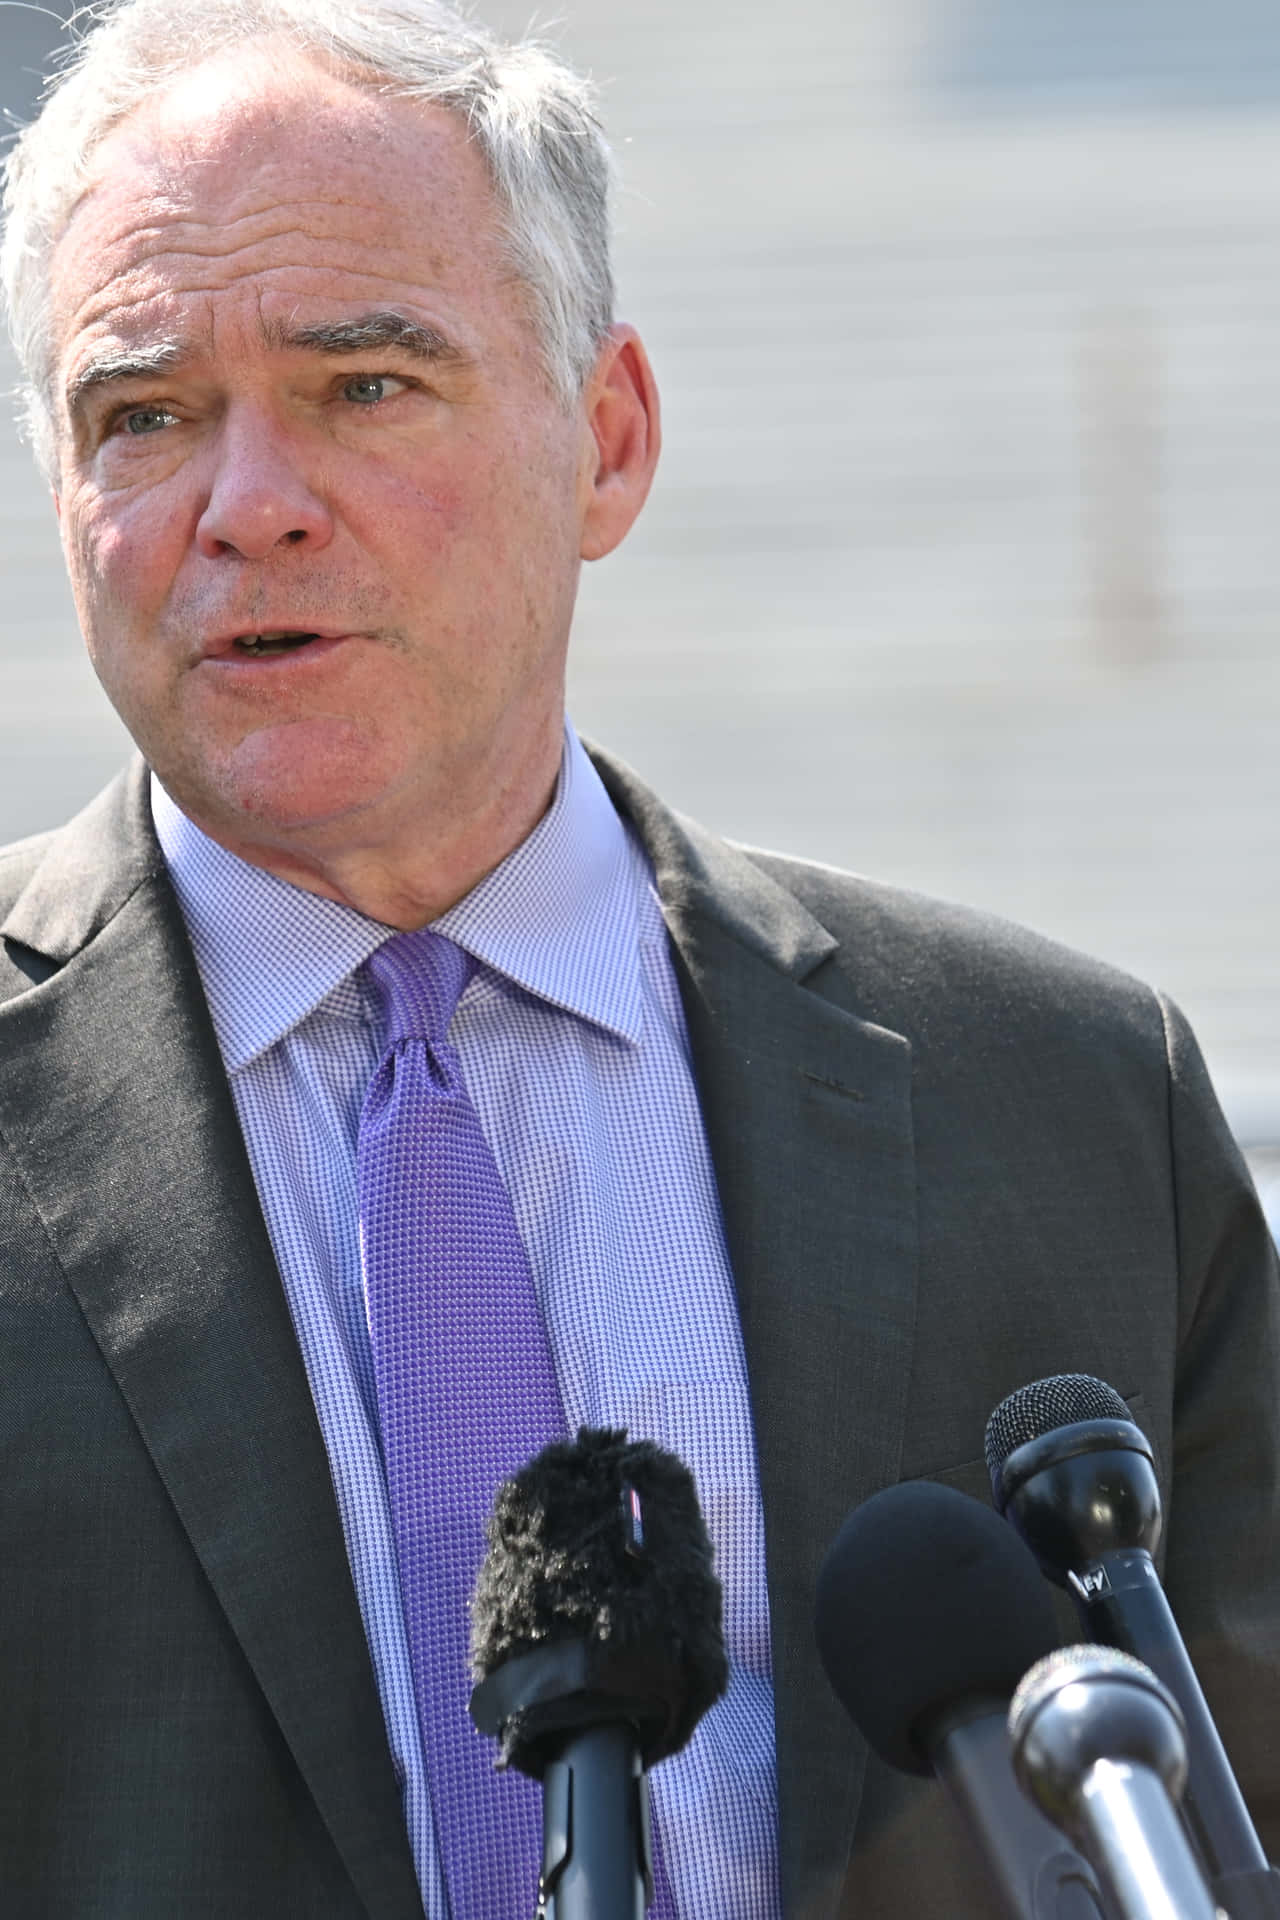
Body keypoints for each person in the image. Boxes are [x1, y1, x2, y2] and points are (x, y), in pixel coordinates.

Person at [1, 1, 1277, 1914]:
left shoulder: (1077, 1104)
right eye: (143, 415)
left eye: (365, 384)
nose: (243, 502)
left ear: (606, 444)